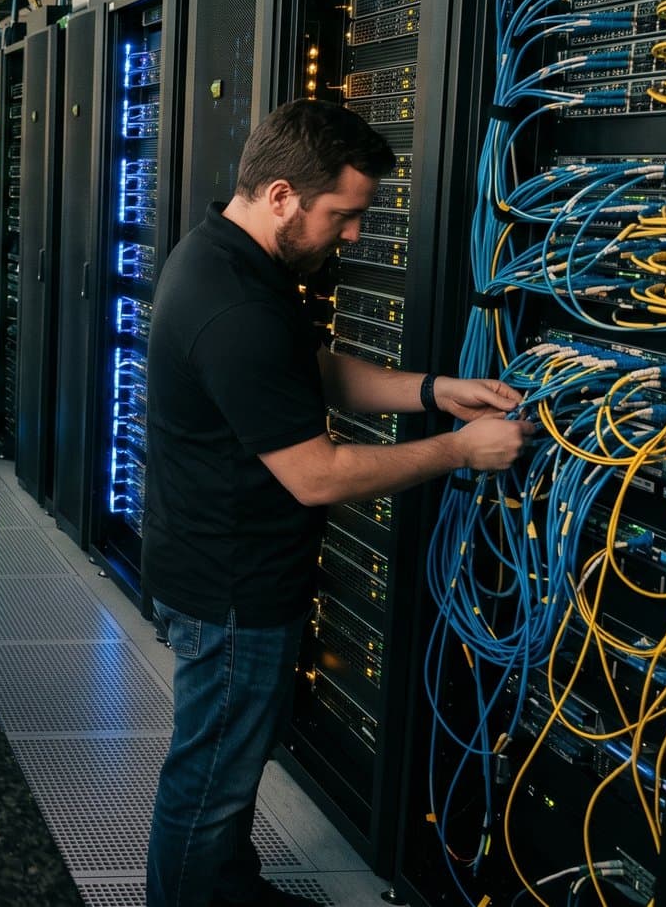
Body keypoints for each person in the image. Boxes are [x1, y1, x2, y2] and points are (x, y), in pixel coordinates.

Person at [142, 100, 535, 907]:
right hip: (233, 591)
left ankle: (225, 885)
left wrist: (434, 391)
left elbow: (308, 368)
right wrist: (461, 449)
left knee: (223, 771)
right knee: (210, 779)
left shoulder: (229, 254)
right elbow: (316, 475)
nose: (353, 235)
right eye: (343, 215)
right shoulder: (237, 305)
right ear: (283, 195)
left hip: (219, 567)